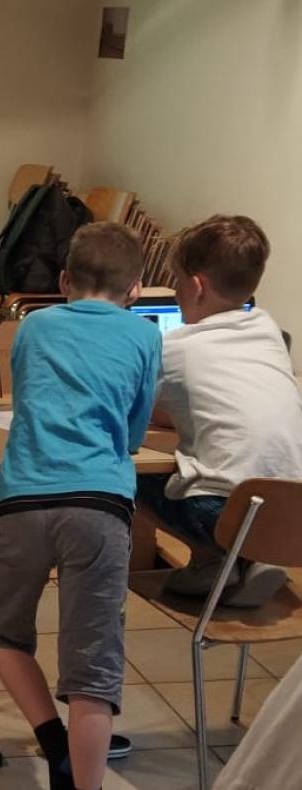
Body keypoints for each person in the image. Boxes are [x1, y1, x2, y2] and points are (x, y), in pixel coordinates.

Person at [0, 223, 161, 790]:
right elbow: (134, 428)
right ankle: (84, 782)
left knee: (1, 633)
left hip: (23, 500)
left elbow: (30, 393)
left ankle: (51, 739)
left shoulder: (32, 326)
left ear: (61, 280)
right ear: (135, 289)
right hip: (100, 508)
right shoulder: (146, 336)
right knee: (92, 672)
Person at [138, 215, 302, 607]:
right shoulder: (268, 331)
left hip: (223, 514)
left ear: (195, 287)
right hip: (293, 513)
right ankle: (246, 559)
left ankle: (224, 556)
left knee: (134, 477)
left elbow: (137, 408)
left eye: (177, 282)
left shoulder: (176, 348)